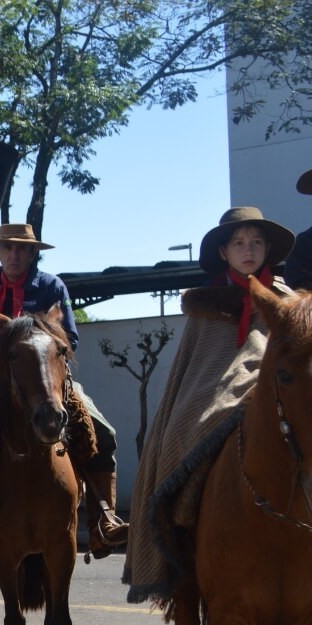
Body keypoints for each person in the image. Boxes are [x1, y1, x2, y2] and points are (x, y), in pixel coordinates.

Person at [126, 206, 296, 602]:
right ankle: (184, 517)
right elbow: (197, 370)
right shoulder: (205, 307)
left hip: (280, 394)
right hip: (211, 392)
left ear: (268, 248)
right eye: (238, 243)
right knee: (183, 425)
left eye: (256, 242)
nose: (248, 249)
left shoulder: (288, 302)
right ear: (224, 253)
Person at [0, 223, 128, 557]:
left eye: (22, 248)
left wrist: (37, 332)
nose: (14, 254)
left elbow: (70, 339)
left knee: (102, 431)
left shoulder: (51, 287)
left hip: (49, 385)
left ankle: (104, 518)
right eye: (8, 248)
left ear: (33, 253)